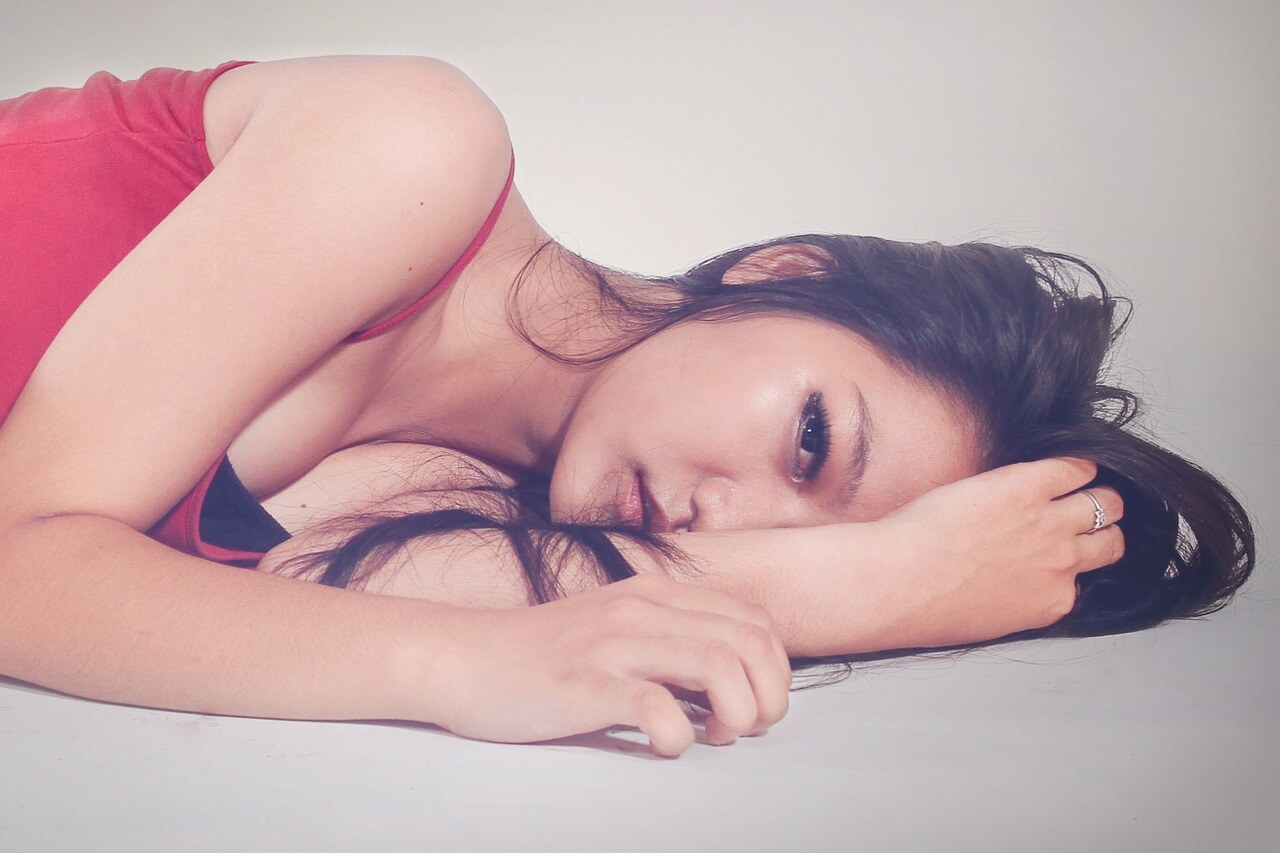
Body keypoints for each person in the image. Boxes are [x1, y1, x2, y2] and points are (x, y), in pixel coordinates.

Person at [0, 55, 1255, 758]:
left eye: (801, 540)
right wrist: (861, 582)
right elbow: (20, 570)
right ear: (781, 273)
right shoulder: (414, 150)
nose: (728, 518)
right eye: (810, 440)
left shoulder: (450, 506)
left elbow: (203, 615)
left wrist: (855, 583)